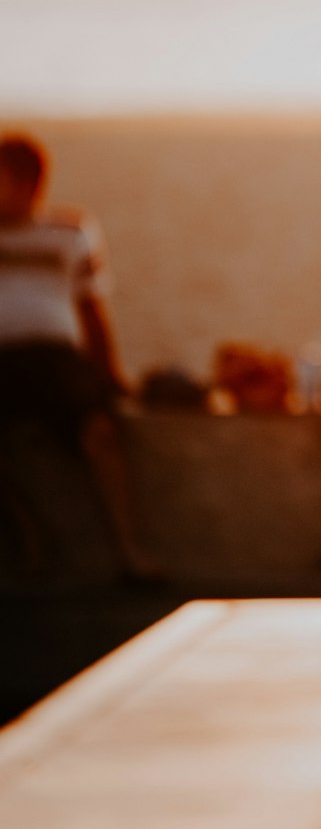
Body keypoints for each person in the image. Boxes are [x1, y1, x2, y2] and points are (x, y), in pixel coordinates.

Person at [0, 133, 160, 581]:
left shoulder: (69, 232)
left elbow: (92, 308)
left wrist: (109, 371)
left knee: (101, 432)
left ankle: (129, 551)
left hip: (54, 358)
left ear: (30, 185)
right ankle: (26, 532)